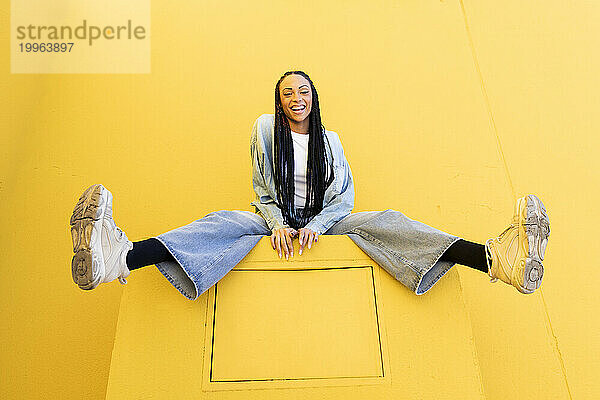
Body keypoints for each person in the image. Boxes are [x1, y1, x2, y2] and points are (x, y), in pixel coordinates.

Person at [69, 70, 550, 300]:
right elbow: (261, 189)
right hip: (273, 222)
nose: (295, 98)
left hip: (327, 223)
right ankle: (118, 257)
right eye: (286, 93)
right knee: (223, 222)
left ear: (314, 98)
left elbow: (345, 198)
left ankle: (495, 259)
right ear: (278, 103)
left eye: (303, 91)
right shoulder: (263, 130)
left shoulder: (331, 141)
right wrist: (277, 223)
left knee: (385, 221)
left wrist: (316, 227)